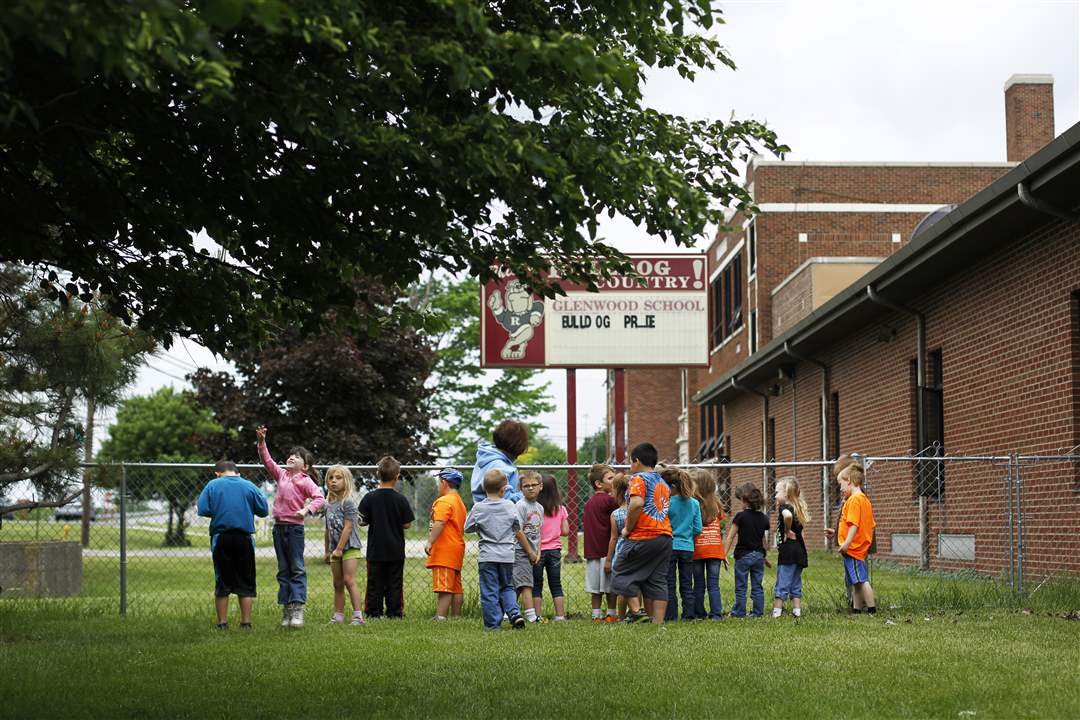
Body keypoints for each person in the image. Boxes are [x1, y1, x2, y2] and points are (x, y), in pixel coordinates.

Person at [256, 425, 325, 628]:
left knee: (296, 568)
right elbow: (267, 461)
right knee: (283, 569)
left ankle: (297, 609)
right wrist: (261, 442)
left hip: (294, 530)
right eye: (290, 455)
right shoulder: (282, 476)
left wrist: (306, 511)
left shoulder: (305, 481)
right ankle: (286, 609)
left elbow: (320, 498)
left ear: (305, 466)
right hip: (279, 528)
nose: (291, 457)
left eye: (297, 456)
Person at [197, 460, 269, 629]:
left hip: (221, 537)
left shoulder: (212, 485)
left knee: (222, 579)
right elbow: (263, 510)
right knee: (246, 578)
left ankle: (222, 623)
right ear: (238, 472)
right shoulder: (249, 486)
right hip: (244, 539)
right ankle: (246, 622)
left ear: (217, 473)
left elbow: (203, 509)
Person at [464, 469, 536, 630]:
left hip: (487, 556)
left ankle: (492, 625)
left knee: (489, 590)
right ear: (504, 489)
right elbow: (517, 526)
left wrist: (479, 525)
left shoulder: (478, 508)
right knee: (507, 586)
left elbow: (467, 528)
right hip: (507, 556)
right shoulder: (510, 505)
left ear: (483, 487)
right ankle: (514, 613)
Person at [609, 442, 672, 624]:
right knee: (658, 580)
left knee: (620, 571)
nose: (630, 465)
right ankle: (657, 623)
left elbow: (636, 504)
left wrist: (627, 528)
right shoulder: (662, 482)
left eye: (630, 461)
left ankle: (636, 612)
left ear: (636, 461)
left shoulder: (638, 479)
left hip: (643, 536)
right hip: (664, 537)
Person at [358, 456, 415, 619]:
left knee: (374, 583)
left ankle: (373, 612)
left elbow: (361, 521)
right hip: (395, 550)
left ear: (377, 474)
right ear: (397, 477)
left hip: (376, 550)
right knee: (394, 583)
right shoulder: (401, 499)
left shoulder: (369, 498)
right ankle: (395, 612)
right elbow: (407, 524)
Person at [825, 459, 877, 614]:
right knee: (856, 582)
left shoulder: (854, 500)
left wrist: (847, 543)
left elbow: (854, 525)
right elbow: (861, 525)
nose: (840, 489)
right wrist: (836, 534)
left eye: (841, 484)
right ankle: (857, 609)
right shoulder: (864, 500)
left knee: (861, 580)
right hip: (857, 547)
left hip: (853, 548)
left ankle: (872, 609)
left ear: (850, 482)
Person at [424, 468, 468, 621]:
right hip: (457, 547)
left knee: (444, 586)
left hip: (445, 549)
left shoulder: (444, 501)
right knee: (456, 586)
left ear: (444, 482)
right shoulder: (459, 502)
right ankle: (456, 617)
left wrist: (430, 541)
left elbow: (440, 522)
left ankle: (441, 616)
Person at [323, 465, 364, 626]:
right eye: (331, 478)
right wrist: (328, 550)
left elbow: (348, 527)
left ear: (346, 481)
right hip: (335, 550)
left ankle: (358, 616)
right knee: (337, 583)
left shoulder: (348, 503)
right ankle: (338, 615)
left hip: (349, 548)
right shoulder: (327, 504)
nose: (334, 481)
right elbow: (327, 529)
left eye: (338, 478)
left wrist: (340, 549)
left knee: (349, 580)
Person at [724, 482, 770, 618]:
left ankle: (739, 612)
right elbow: (763, 539)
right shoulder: (764, 518)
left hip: (743, 557)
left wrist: (723, 554)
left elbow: (730, 536)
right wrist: (764, 556)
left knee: (741, 586)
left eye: (740, 501)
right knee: (757, 586)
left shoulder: (740, 516)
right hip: (758, 557)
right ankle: (757, 612)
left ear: (744, 500)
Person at [662, 466, 701, 622]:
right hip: (687, 548)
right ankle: (689, 615)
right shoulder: (694, 503)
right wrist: (686, 535)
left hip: (669, 546)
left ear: (671, 487)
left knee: (669, 582)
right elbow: (698, 528)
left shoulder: (666, 503)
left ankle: (671, 615)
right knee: (686, 582)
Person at [583, 464, 618, 622]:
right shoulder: (610, 501)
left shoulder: (589, 502)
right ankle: (611, 614)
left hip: (592, 552)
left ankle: (595, 615)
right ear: (599, 483)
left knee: (595, 589)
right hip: (607, 551)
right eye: (610, 478)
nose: (614, 480)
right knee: (610, 587)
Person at [690, 469, 727, 621]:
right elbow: (721, 524)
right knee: (714, 585)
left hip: (697, 548)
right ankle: (716, 614)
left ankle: (699, 612)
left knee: (698, 584)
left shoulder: (692, 504)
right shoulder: (717, 503)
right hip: (715, 550)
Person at [532, 474, 569, 621]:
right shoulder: (560, 509)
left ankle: (537, 615)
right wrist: (554, 532)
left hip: (537, 551)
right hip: (554, 550)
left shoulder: (535, 509)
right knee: (555, 583)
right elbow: (565, 531)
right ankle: (560, 615)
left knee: (536, 584)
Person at [772, 476, 809, 618]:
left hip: (788, 552)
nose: (775, 495)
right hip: (799, 551)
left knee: (782, 581)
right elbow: (802, 534)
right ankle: (797, 611)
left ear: (786, 494)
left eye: (777, 492)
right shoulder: (797, 509)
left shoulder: (785, 508)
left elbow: (787, 517)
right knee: (795, 582)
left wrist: (787, 530)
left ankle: (777, 612)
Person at [469, 420, 529, 506]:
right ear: (516, 444)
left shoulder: (486, 457)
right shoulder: (501, 467)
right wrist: (524, 493)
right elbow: (505, 500)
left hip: (483, 513)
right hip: (499, 516)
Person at [514, 470, 545, 622]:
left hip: (531, 552)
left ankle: (508, 612)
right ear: (521, 488)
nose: (531, 488)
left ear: (541, 486)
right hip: (520, 550)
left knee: (517, 584)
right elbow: (518, 531)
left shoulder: (539, 508)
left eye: (534, 485)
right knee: (526, 584)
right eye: (526, 486)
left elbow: (538, 532)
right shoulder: (520, 506)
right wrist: (529, 552)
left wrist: (537, 552)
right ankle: (532, 617)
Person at [604, 473, 635, 619]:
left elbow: (614, 538)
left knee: (623, 587)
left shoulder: (615, 514)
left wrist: (609, 560)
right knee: (636, 585)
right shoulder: (637, 510)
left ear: (617, 491)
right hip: (637, 548)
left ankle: (621, 617)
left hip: (621, 552)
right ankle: (635, 614)